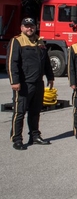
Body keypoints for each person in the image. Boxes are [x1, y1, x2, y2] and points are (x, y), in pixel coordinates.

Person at [8, 17, 54, 150]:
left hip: (37, 83)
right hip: (23, 84)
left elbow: (46, 61)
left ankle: (34, 136)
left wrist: (50, 77)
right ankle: (17, 139)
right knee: (20, 112)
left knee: (35, 111)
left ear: (35, 27)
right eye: (26, 26)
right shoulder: (17, 41)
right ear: (22, 28)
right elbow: (12, 63)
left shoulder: (39, 41)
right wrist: (14, 81)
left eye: (32, 26)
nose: (29, 28)